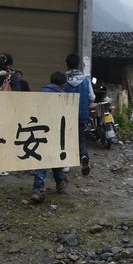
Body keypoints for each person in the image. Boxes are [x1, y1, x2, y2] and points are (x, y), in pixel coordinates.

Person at [29, 71, 69, 204]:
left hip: (40, 129)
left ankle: (59, 182)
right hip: (56, 131)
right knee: (52, 158)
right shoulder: (63, 96)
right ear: (63, 84)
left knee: (44, 157)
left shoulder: (41, 93)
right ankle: (38, 189)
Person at [64, 53, 94, 176]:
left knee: (65, 138)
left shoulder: (63, 79)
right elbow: (92, 96)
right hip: (82, 115)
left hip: (66, 115)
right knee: (81, 139)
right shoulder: (85, 80)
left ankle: (65, 165)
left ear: (67, 64)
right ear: (78, 64)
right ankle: (83, 156)